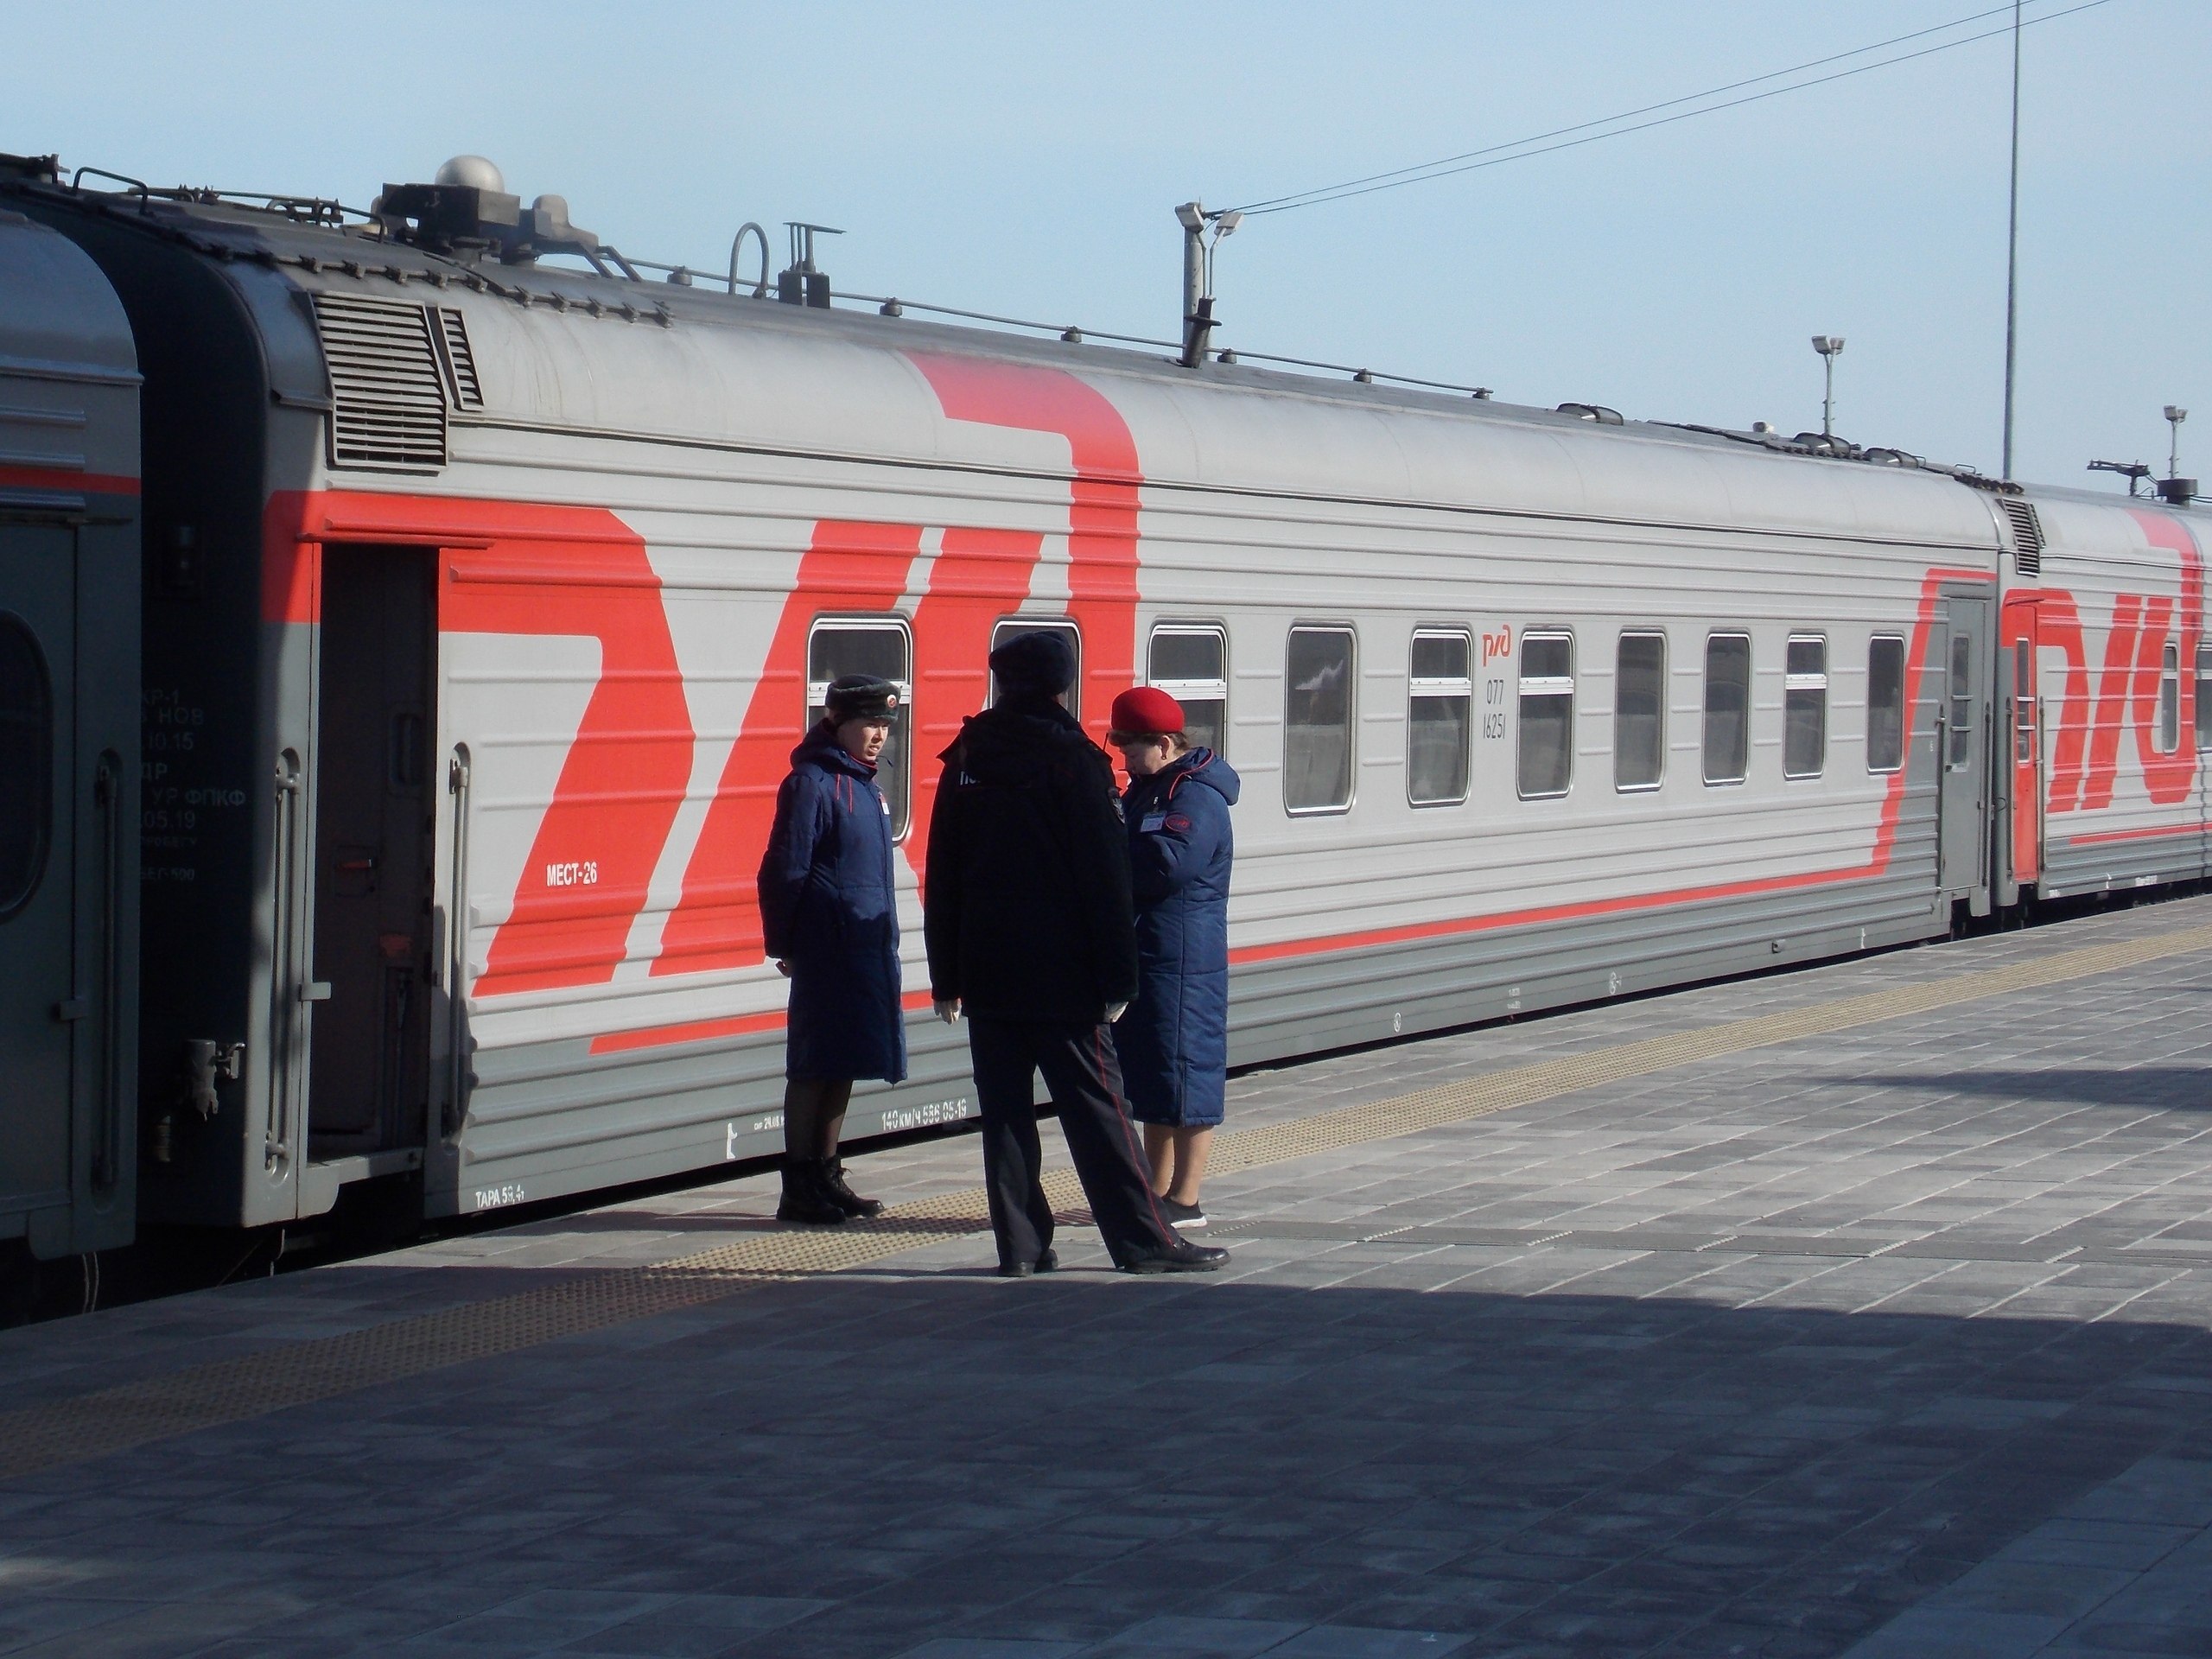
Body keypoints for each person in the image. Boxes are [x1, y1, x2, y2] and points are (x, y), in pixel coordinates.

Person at [923, 630, 1228, 1276]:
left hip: (987, 970)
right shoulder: (1073, 760)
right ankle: (1144, 1241)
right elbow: (1103, 876)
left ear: (1002, 681)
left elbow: (942, 869)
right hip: (1064, 972)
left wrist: (946, 975)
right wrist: (1119, 974)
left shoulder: (968, 756)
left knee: (1005, 1116)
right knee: (1100, 1113)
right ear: (1060, 684)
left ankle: (1022, 1248)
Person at [757, 673, 905, 1225]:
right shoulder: (812, 783)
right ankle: (798, 1185)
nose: (879, 736)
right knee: (814, 1065)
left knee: (844, 1062)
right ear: (837, 722)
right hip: (825, 947)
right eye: (869, 724)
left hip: (863, 946)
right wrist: (785, 942)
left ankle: (827, 1173)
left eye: (886, 726)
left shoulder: (866, 784)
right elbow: (785, 868)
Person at [1106, 687, 1238, 1230]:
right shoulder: (1151, 788)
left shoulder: (1195, 797)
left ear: (1164, 744)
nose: (1126, 761)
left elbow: (1165, 866)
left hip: (1184, 957)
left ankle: (1186, 1197)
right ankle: (1156, 1188)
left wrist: (1109, 857)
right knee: (1156, 1073)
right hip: (1154, 951)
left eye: (1133, 750)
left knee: (1188, 1071)